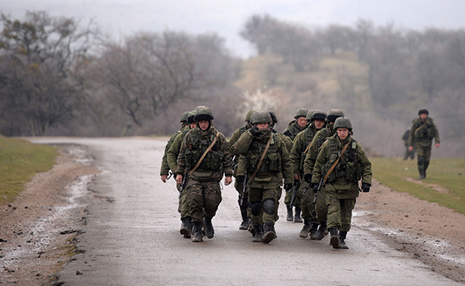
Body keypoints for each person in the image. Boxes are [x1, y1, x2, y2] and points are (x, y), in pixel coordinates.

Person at [311, 117, 372, 249]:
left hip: (350, 187)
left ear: (349, 132)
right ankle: (334, 235)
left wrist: (366, 182)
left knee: (346, 214)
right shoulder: (328, 145)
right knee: (333, 211)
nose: (342, 133)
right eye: (339, 130)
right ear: (336, 131)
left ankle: (342, 237)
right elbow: (318, 164)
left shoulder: (356, 146)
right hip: (333, 186)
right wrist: (315, 181)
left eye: (344, 130)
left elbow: (366, 165)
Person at [233, 111, 293, 244]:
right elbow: (237, 150)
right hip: (254, 179)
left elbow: (286, 161)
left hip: (272, 179)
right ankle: (257, 230)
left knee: (269, 204)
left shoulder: (276, 139)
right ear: (254, 125)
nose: (262, 126)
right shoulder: (248, 138)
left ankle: (269, 229)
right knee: (255, 207)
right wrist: (249, 135)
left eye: (265, 123)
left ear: (270, 124)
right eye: (259, 124)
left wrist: (289, 180)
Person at [175, 106, 233, 242]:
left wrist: (229, 173)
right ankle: (197, 228)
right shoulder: (189, 136)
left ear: (210, 122)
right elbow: (182, 155)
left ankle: (208, 219)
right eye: (200, 122)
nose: (203, 124)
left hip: (212, 177)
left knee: (212, 202)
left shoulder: (218, 137)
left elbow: (226, 156)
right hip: (194, 176)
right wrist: (179, 173)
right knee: (194, 201)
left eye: (205, 121)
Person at [302, 108, 344, 240]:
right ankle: (314, 225)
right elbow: (311, 156)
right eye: (331, 122)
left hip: (339, 179)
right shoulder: (321, 135)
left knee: (335, 207)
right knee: (316, 204)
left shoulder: (347, 139)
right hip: (321, 176)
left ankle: (328, 229)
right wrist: (309, 173)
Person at [290, 110, 327, 239]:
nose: (318, 123)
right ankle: (307, 223)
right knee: (306, 199)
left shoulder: (328, 136)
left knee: (320, 203)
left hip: (324, 175)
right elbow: (294, 154)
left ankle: (316, 226)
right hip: (307, 173)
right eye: (316, 120)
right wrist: (295, 171)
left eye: (321, 121)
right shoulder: (303, 136)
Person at [166, 110, 197, 238]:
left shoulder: (212, 136)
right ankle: (186, 223)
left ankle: (200, 224)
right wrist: (174, 170)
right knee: (185, 196)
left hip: (203, 174)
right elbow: (170, 154)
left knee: (202, 200)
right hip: (185, 173)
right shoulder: (181, 137)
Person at [229, 110, 255, 230]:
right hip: (240, 168)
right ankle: (245, 219)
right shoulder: (240, 132)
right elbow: (230, 150)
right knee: (243, 194)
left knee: (254, 195)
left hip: (256, 168)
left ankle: (252, 219)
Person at [283, 108, 309, 222]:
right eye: (301, 120)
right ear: (297, 120)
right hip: (290, 164)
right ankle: (289, 212)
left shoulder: (310, 133)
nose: (303, 122)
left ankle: (298, 213)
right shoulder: (288, 132)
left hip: (304, 164)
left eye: (305, 120)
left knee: (301, 190)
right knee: (290, 189)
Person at [408, 109, 440, 179]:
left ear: (426, 115)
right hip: (418, 142)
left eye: (424, 114)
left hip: (428, 143)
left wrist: (437, 142)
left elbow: (436, 132)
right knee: (420, 159)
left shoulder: (430, 123)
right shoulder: (416, 123)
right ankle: (421, 174)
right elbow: (411, 134)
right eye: (422, 114)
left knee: (427, 161)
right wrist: (410, 144)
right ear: (420, 115)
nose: (423, 116)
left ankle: (423, 170)